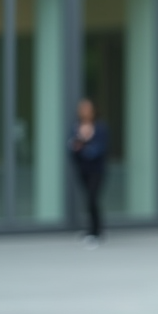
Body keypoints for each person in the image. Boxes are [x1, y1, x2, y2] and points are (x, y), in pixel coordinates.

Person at [68, 98, 108, 248]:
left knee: (92, 198)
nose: (84, 111)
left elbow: (100, 149)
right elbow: (71, 148)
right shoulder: (75, 127)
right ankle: (94, 229)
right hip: (83, 169)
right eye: (82, 109)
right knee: (88, 199)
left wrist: (84, 147)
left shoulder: (100, 127)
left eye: (87, 109)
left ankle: (95, 232)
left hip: (96, 170)